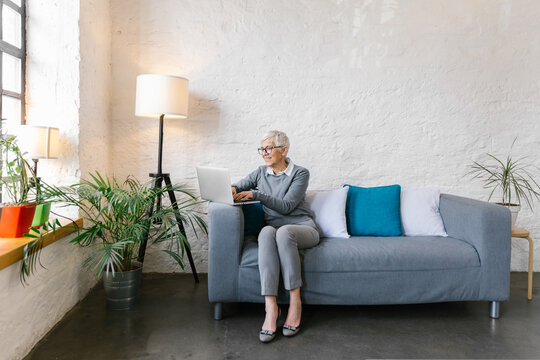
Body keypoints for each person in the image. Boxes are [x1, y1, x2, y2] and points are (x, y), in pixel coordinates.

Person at [232, 130, 320, 343]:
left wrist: (257, 194)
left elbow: (288, 207)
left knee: (284, 232)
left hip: (302, 228)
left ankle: (295, 303)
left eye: (269, 148)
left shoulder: (300, 173)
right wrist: (232, 189)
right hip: (276, 231)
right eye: (262, 149)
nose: (264, 153)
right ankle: (271, 308)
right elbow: (239, 184)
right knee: (266, 232)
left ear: (284, 149)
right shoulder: (260, 173)